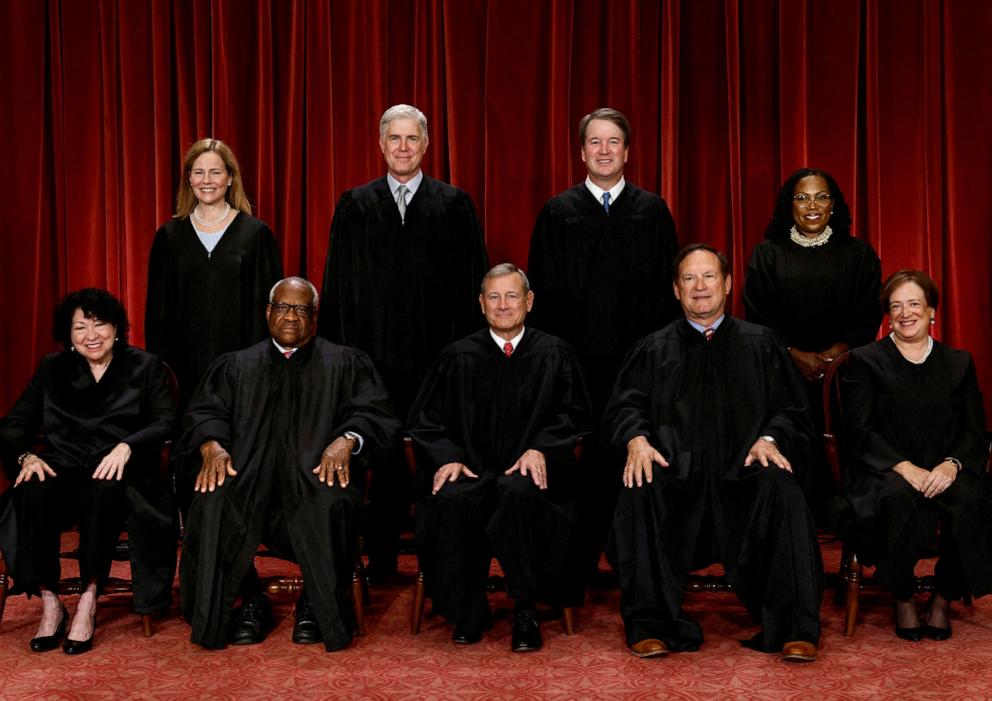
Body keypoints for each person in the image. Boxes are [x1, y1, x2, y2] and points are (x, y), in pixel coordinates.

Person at [605, 244, 823, 662]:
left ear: (727, 284)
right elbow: (624, 406)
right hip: (675, 473)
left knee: (782, 488)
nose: (699, 287)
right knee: (639, 486)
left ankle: (795, 626)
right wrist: (637, 439)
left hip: (744, 471)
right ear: (675, 289)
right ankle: (650, 624)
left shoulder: (760, 343)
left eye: (708, 277)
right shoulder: (654, 348)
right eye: (689, 278)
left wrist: (770, 440)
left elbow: (791, 409)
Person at [176, 277, 399, 652]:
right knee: (211, 502)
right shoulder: (236, 365)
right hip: (247, 480)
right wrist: (211, 444)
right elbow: (205, 412)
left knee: (333, 503)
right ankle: (247, 600)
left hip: (313, 480)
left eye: (301, 309)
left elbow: (376, 415)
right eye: (283, 307)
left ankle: (316, 601)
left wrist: (348, 439)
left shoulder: (345, 362)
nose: (291, 316)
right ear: (268, 312)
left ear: (314, 316)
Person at [318, 104, 489, 578]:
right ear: (380, 145)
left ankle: (440, 564)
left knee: (437, 455)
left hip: (437, 358)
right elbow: (335, 288)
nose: (403, 147)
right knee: (380, 456)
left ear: (426, 145)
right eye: (394, 139)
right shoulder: (354, 204)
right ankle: (381, 558)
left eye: (412, 139)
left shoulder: (454, 205)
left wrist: (465, 359)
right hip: (372, 361)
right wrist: (339, 361)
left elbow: (472, 287)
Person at [527, 108, 680, 581]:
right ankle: (572, 567)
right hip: (577, 367)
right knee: (580, 465)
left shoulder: (652, 212)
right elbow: (544, 299)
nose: (605, 150)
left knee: (633, 458)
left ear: (628, 151)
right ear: (581, 151)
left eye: (614, 142)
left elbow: (668, 295)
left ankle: (634, 564)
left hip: (638, 367)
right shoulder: (558, 213)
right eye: (596, 142)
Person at [408, 264, 594, 651]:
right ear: (481, 303)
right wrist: (449, 457)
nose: (503, 305)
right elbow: (426, 421)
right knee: (454, 499)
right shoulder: (457, 356)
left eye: (512, 296)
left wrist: (542, 448)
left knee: (520, 494)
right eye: (494, 297)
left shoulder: (554, 353)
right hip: (473, 468)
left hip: (531, 471)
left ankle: (526, 609)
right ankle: (467, 610)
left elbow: (574, 415)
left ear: (529, 301)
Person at [0, 289, 177, 655]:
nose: (90, 335)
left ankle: (88, 598)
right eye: (80, 327)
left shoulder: (145, 366)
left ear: (117, 328)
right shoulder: (53, 368)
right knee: (31, 489)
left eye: (99, 325)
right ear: (69, 333)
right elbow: (15, 423)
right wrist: (25, 458)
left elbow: (165, 421)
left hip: (119, 467)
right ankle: (50, 601)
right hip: (64, 462)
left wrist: (129, 445)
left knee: (103, 486)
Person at [840, 270, 992, 642]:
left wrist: (951, 465)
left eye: (914, 304)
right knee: (896, 497)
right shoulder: (866, 360)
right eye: (896, 306)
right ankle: (904, 594)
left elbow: (975, 430)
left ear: (932, 311)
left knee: (975, 500)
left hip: (945, 467)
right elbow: (860, 430)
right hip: (886, 469)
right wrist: (904, 467)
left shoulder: (958, 363)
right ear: (888, 316)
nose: (905, 313)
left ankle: (942, 595)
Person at [146, 137, 283, 410]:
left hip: (243, 372)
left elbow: (270, 310)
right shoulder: (169, 237)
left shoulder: (255, 235)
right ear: (189, 178)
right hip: (184, 371)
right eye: (198, 172)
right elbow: (158, 313)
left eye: (215, 172)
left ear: (230, 178)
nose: (206, 180)